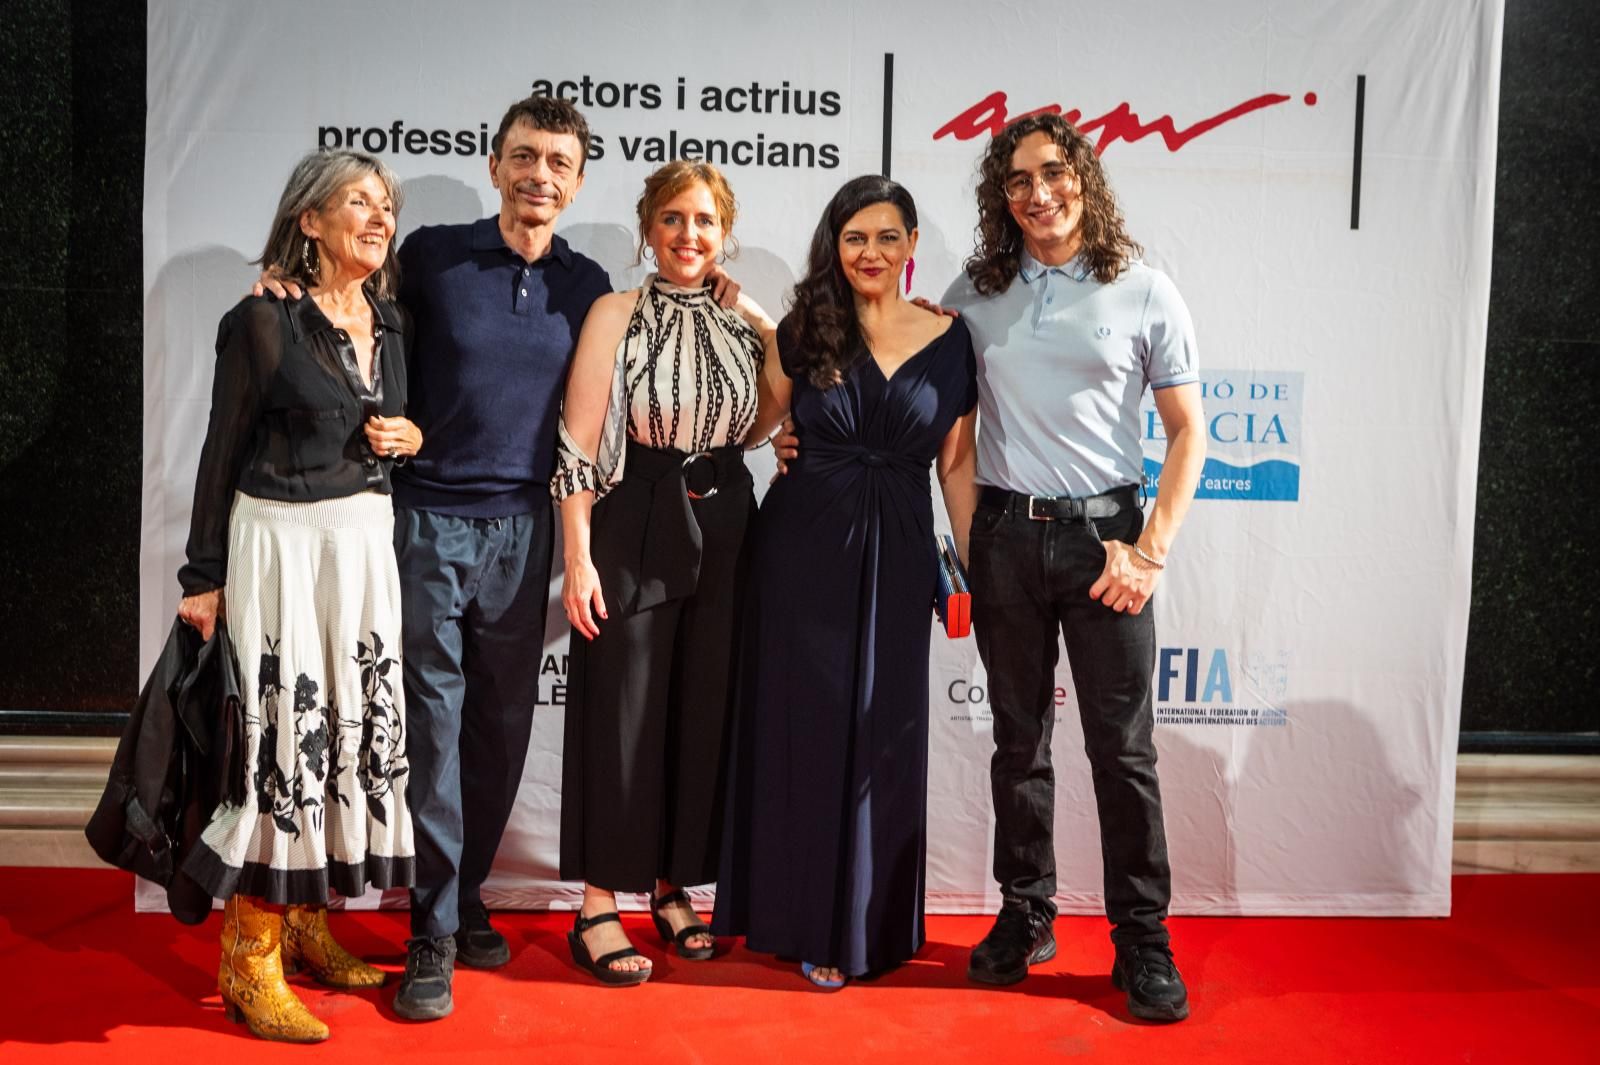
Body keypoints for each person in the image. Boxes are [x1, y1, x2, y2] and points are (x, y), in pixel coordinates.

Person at [941, 113, 1206, 1022]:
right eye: (1017, 180)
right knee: (1018, 744)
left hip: (1110, 546)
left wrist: (1150, 551)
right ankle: (1027, 913)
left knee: (1122, 752)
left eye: (1052, 172)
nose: (1037, 192)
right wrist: (974, 546)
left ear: (1083, 178)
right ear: (1001, 198)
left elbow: (1186, 434)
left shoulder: (1144, 289)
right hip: (1008, 540)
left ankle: (1142, 937)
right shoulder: (974, 294)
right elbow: (939, 427)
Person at [177, 149, 423, 1043]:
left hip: (362, 545)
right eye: (359, 201)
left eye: (386, 205)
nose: (379, 216)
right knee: (284, 743)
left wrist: (411, 433)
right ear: (308, 220)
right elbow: (220, 450)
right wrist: (202, 578)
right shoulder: (262, 320)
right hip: (280, 544)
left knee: (348, 735)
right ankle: (248, 956)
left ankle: (308, 916)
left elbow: (389, 422)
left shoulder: (390, 319)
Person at [712, 175, 978, 989]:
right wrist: (757, 339)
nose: (871, 252)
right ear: (835, 244)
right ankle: (806, 920)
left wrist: (970, 571)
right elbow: (756, 421)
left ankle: (872, 922)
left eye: (887, 236)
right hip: (800, 553)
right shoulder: (803, 329)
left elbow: (957, 464)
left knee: (883, 736)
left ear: (910, 247)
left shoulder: (950, 336)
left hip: (899, 555)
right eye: (855, 237)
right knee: (809, 733)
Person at [553, 159, 780, 985]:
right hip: (636, 512)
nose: (690, 235)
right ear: (649, 229)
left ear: (726, 233)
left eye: (706, 221)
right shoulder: (616, 310)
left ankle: (672, 884)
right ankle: (598, 902)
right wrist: (577, 556)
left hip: (726, 517)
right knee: (625, 712)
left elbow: (771, 415)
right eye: (674, 219)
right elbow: (578, 443)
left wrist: (757, 315)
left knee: (701, 710)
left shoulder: (742, 324)